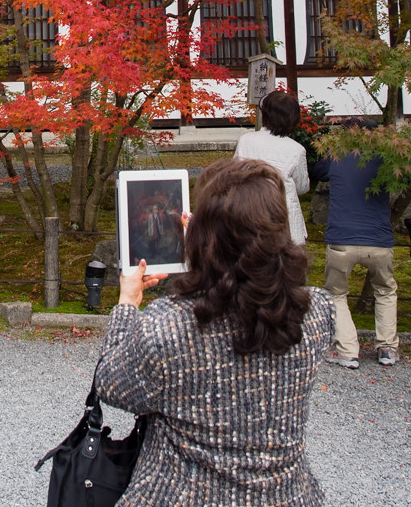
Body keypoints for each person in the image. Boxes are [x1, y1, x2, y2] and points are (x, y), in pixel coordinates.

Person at [95, 158, 334, 507]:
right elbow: (252, 291)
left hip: (180, 495)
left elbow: (111, 385)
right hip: (288, 497)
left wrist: (127, 304)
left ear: (203, 236)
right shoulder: (318, 312)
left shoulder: (168, 329)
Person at [311, 123, 398, 369]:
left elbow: (318, 171)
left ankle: (348, 350)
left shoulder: (336, 156)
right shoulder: (387, 157)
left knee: (336, 294)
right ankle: (387, 348)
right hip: (378, 239)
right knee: (385, 290)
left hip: (342, 238)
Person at [234, 89, 309, 244]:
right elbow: (302, 187)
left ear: (265, 115)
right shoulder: (296, 149)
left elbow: (234, 173)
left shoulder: (245, 141)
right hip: (282, 214)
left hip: (249, 210)